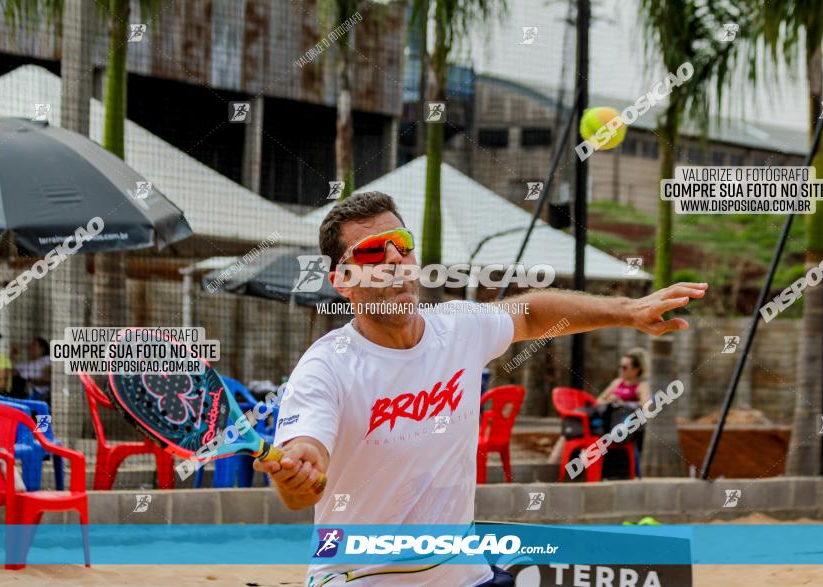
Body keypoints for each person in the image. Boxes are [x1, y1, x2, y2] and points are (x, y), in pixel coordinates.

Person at [253, 191, 707, 587]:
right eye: (373, 252)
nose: (394, 260)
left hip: (463, 574)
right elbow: (301, 483)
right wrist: (300, 473)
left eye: (403, 245)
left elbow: (529, 313)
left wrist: (629, 310)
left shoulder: (456, 327)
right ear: (341, 280)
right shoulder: (326, 367)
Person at [547, 348, 651, 469]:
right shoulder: (617, 383)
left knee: (580, 432)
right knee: (570, 432)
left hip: (618, 426)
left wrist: (622, 403)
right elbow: (598, 401)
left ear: (636, 369)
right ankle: (553, 466)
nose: (621, 370)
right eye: (620, 366)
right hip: (604, 420)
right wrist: (609, 400)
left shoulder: (641, 386)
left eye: (625, 367)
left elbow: (645, 405)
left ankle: (561, 467)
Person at [15, 337, 52, 402]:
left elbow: (47, 379)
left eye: (34, 345)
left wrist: (30, 380)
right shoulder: (29, 363)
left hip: (39, 394)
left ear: (42, 348)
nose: (30, 347)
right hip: (26, 391)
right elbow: (11, 370)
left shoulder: (47, 359)